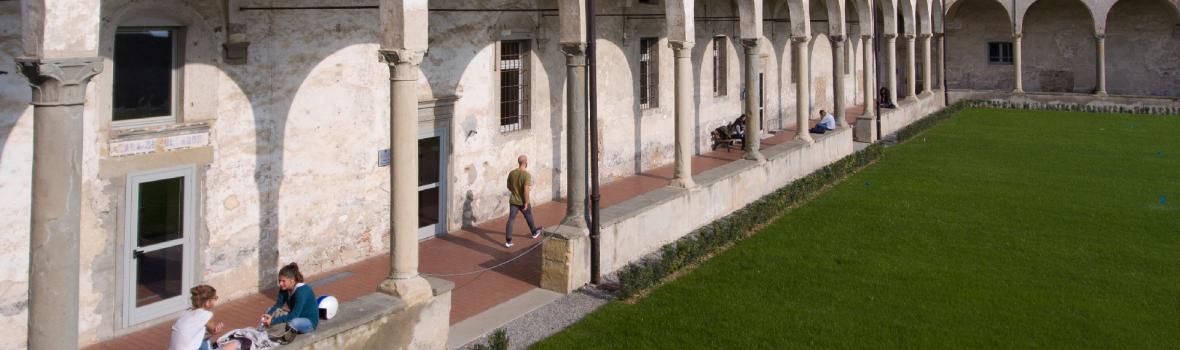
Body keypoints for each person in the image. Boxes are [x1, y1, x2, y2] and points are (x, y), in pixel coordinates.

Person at [261, 263, 318, 342]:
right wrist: (269, 315)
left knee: (293, 322)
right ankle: (273, 329)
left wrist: (273, 320)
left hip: (308, 322)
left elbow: (294, 315)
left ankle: (283, 334)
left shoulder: (302, 291)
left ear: (292, 280)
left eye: (283, 281)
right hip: (295, 314)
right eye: (279, 281)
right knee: (269, 309)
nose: (280, 283)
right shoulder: (284, 289)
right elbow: (278, 305)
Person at [169, 285, 226, 350]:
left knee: (203, 337)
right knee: (235, 344)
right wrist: (216, 330)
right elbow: (212, 331)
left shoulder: (186, 312)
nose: (216, 300)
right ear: (208, 302)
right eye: (215, 298)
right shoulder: (206, 315)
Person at [505, 155, 542, 248]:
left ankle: (508, 241)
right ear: (525, 162)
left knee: (511, 219)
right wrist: (526, 202)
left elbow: (508, 187)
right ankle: (534, 232)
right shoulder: (526, 175)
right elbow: (526, 190)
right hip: (522, 201)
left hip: (513, 201)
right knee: (528, 216)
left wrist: (515, 192)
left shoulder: (512, 173)